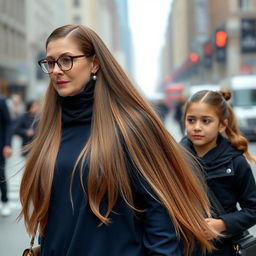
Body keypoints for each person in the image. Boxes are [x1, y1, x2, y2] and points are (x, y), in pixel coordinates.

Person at [19, 25, 217, 256]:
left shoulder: (132, 126)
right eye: (50, 63)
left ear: (94, 63)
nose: (56, 71)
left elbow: (160, 215)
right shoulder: (50, 128)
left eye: (66, 60)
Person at [180, 89, 256, 255]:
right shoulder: (174, 158)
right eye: (191, 120)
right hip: (183, 248)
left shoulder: (236, 162)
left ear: (222, 125)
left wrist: (222, 224)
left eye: (206, 121)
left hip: (223, 249)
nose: (197, 127)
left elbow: (253, 208)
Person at [0, 95, 13, 216]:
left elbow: (9, 124)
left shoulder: (2, 101)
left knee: (1, 175)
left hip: (0, 146)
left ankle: (5, 201)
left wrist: (8, 145)